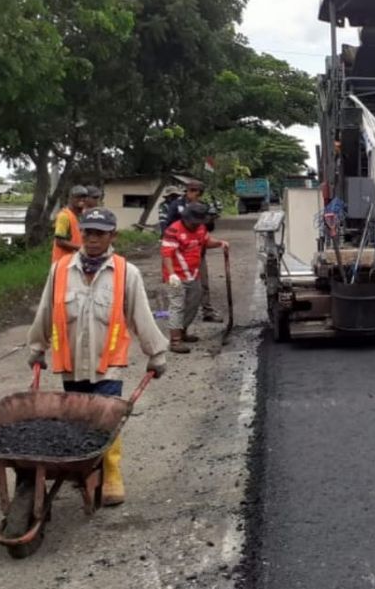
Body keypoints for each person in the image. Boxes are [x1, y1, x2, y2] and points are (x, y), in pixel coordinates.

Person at [26, 207, 168, 506]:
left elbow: (141, 314)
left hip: (108, 364)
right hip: (71, 363)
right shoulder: (61, 269)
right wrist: (37, 348)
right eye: (88, 233)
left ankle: (111, 470)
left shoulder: (126, 273)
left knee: (106, 419)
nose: (91, 239)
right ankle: (83, 469)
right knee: (77, 419)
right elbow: (46, 311)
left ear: (111, 236)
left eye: (99, 234)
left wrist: (156, 353)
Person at [161, 202, 229, 353]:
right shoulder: (173, 230)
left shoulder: (200, 228)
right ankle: (175, 341)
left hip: (194, 274)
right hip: (176, 277)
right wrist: (171, 274)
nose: (195, 225)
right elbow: (167, 254)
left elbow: (206, 242)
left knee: (193, 304)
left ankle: (183, 331)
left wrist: (220, 243)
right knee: (177, 307)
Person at [162, 180, 223, 322]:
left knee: (203, 283)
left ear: (199, 194)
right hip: (179, 251)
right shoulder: (176, 206)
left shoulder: (203, 207)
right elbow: (167, 227)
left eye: (195, 192)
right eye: (190, 190)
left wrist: (211, 219)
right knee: (178, 286)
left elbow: (208, 230)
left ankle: (207, 311)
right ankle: (177, 315)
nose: (191, 194)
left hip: (197, 251)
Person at [51, 185, 90, 263]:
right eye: (78, 197)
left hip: (75, 260)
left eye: (84, 197)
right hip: (62, 262)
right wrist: (82, 248)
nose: (82, 199)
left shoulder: (82, 215)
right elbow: (59, 241)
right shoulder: (64, 216)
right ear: (70, 199)